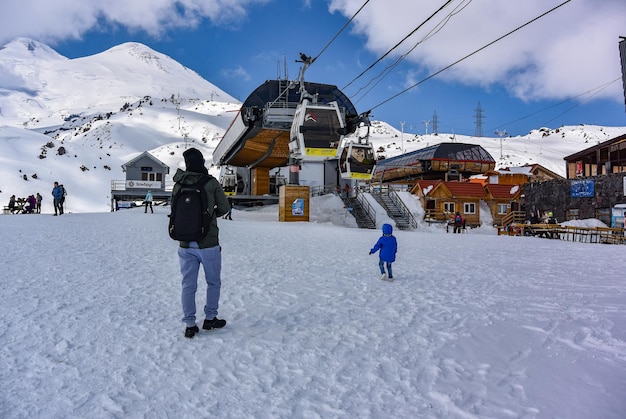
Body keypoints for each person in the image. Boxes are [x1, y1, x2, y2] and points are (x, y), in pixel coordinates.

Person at [172, 147, 231, 338]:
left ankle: (190, 323)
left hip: (185, 243)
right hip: (208, 242)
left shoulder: (179, 184)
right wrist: (208, 217)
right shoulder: (210, 183)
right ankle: (210, 318)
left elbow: (175, 209)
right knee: (213, 282)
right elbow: (224, 207)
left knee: (188, 285)